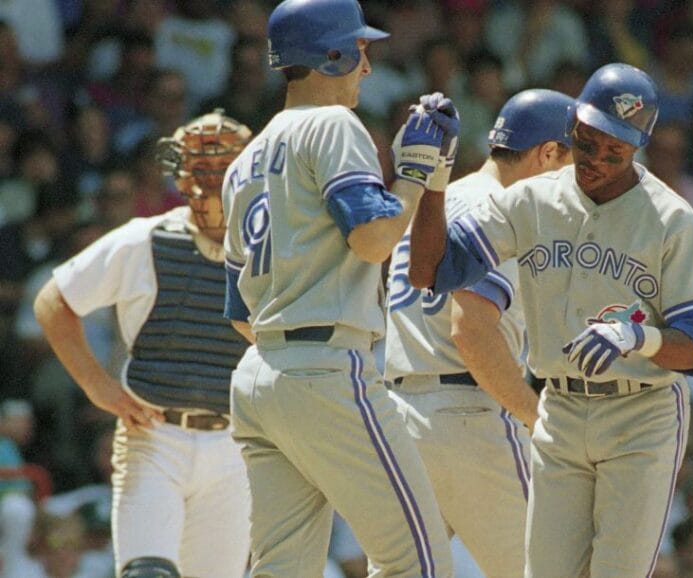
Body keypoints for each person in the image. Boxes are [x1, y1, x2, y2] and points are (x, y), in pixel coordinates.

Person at [408, 62, 693, 577]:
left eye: (614, 150)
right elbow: (430, 270)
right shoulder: (532, 199)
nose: (596, 158)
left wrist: (638, 338)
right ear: (573, 123)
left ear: (638, 147)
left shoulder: (670, 218)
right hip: (560, 407)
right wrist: (433, 180)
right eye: (588, 140)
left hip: (640, 415)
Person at [220, 0, 456, 576]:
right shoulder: (333, 123)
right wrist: (416, 173)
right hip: (324, 367)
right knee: (417, 562)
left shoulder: (243, 159)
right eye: (360, 51)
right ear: (332, 54)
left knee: (282, 568)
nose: (366, 67)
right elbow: (374, 241)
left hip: (259, 375)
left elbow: (237, 311)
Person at [32, 109, 254, 578]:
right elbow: (54, 301)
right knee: (146, 573)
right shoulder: (145, 239)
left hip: (235, 446)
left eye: (223, 166)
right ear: (180, 172)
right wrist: (97, 386)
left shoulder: (265, 249)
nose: (212, 179)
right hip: (155, 437)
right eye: (201, 166)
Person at [385, 88, 574, 576]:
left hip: (399, 413)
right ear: (548, 153)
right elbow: (471, 329)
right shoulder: (506, 209)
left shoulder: (439, 203)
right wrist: (537, 417)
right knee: (558, 567)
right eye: (574, 159)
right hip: (468, 414)